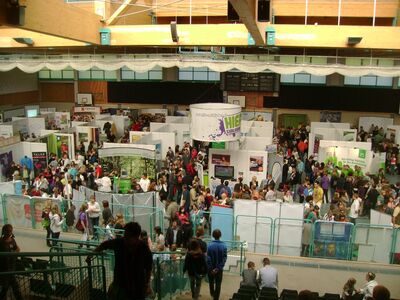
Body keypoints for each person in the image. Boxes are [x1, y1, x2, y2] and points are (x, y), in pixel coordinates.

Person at [90, 222, 153, 300]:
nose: (125, 237)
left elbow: (148, 268)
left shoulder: (144, 249)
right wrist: (92, 254)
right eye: (125, 235)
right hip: (121, 286)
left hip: (137, 287)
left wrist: (147, 284)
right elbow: (104, 245)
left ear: (136, 237)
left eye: (127, 236)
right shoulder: (119, 242)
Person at [0, 224, 22, 300]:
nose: (10, 233)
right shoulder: (1, 242)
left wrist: (14, 253)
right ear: (4, 231)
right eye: (8, 231)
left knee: (15, 288)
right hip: (4, 269)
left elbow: (18, 248)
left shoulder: (12, 240)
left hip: (11, 268)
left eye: (10, 231)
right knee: (6, 287)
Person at [207, 229, 227, 300]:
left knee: (211, 282)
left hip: (210, 269)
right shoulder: (224, 246)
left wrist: (212, 268)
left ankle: (212, 293)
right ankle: (216, 298)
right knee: (218, 284)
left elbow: (208, 258)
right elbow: (224, 259)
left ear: (212, 235)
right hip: (219, 270)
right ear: (220, 235)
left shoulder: (209, 245)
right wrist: (218, 268)